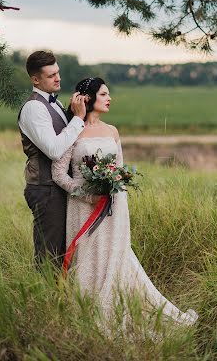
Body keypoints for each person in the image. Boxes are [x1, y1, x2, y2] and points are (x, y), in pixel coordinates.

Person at [51, 77, 198, 326]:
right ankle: (87, 315)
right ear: (88, 98)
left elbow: (118, 170)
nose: (110, 98)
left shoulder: (112, 131)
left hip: (113, 207)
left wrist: (111, 189)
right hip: (81, 208)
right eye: (104, 94)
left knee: (115, 257)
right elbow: (58, 174)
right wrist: (87, 194)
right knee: (87, 259)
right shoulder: (72, 132)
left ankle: (117, 308)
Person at [18, 50, 87, 263]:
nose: (58, 78)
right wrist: (78, 118)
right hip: (45, 187)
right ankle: (44, 295)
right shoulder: (33, 108)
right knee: (49, 254)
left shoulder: (54, 103)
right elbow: (55, 150)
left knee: (62, 251)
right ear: (35, 79)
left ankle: (60, 294)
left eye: (57, 72)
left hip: (58, 186)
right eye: (50, 75)